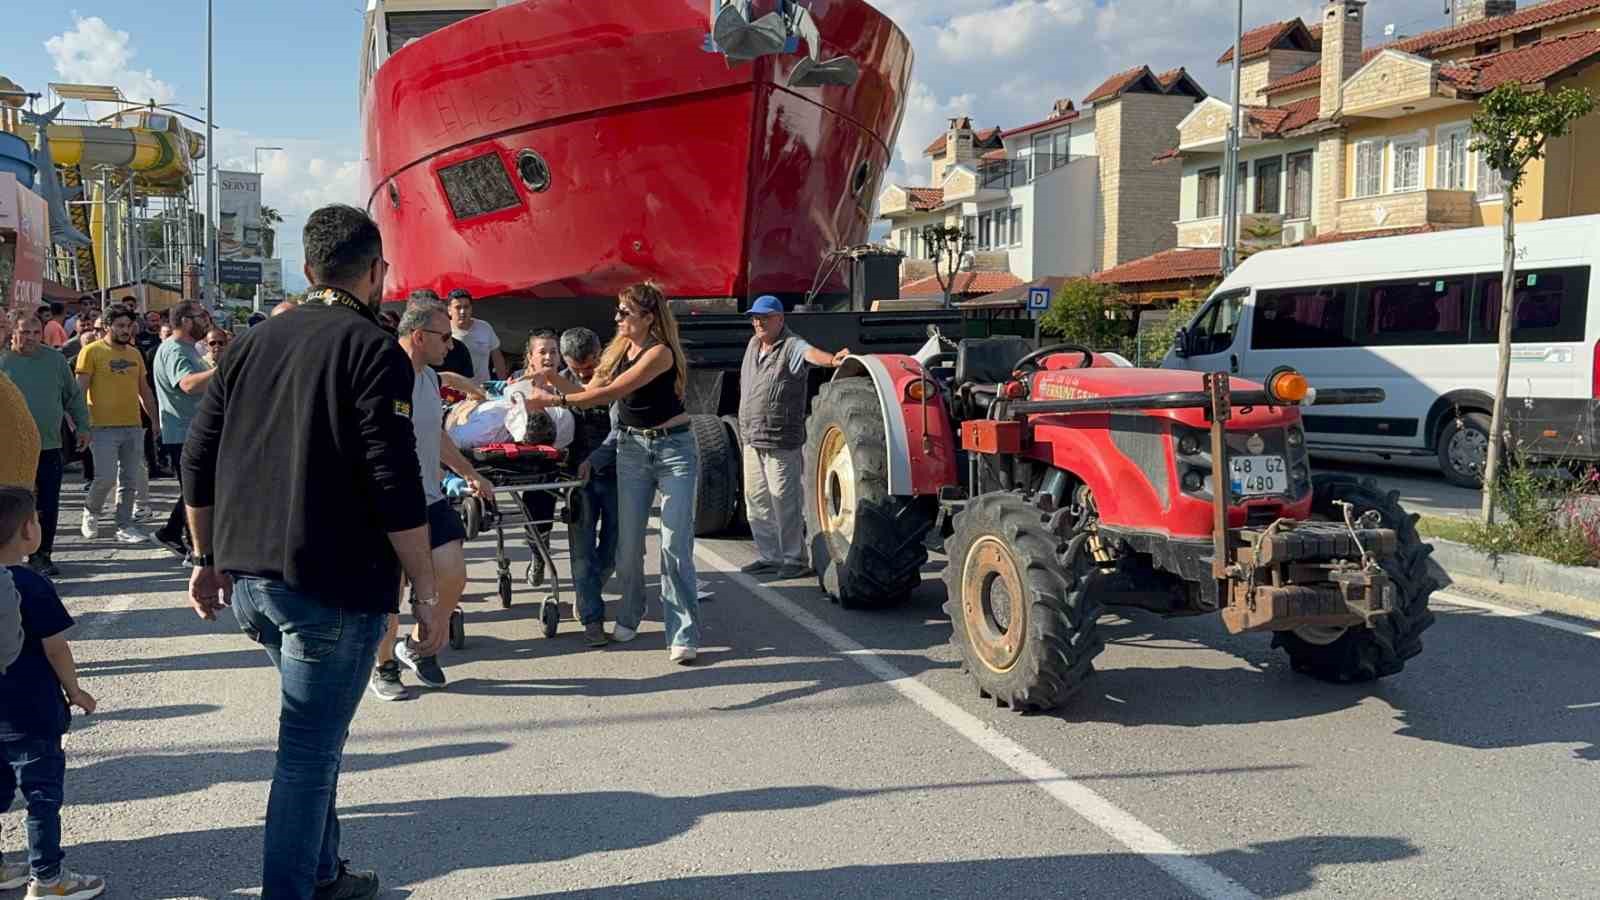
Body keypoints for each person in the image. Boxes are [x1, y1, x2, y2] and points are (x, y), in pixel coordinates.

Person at [182, 203, 444, 900]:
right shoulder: (372, 347)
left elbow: (198, 457)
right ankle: (295, 889)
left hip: (251, 581)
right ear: (378, 271)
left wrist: (204, 558)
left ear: (307, 269)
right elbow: (394, 481)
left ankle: (324, 875)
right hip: (330, 586)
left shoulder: (253, 342)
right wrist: (427, 589)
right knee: (307, 753)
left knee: (315, 738)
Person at [523, 282, 701, 664]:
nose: (617, 318)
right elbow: (588, 390)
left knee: (674, 544)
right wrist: (548, 376)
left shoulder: (659, 354)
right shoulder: (618, 349)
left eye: (625, 312)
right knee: (629, 548)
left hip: (675, 450)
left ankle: (683, 631)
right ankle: (631, 612)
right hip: (633, 449)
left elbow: (609, 394)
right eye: (617, 310)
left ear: (648, 318)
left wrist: (551, 398)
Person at [369, 297, 492, 701]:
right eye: (443, 336)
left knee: (452, 573)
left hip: (430, 496)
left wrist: (469, 472)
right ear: (418, 337)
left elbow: (435, 435)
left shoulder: (429, 379)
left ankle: (418, 646)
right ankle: (384, 666)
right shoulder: (385, 376)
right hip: (388, 501)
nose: (450, 344)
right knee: (393, 590)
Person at [0, 487, 104, 899]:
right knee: (41, 795)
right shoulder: (31, 583)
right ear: (28, 531)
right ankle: (48, 879)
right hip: (32, 712)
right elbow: (55, 647)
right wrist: (75, 691)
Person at [736, 295, 848, 578]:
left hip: (779, 438)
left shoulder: (791, 345)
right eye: (755, 317)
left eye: (764, 317)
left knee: (785, 502)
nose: (758, 322)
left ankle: (794, 560)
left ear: (780, 319)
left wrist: (832, 361)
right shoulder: (753, 345)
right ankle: (770, 556)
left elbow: (810, 353)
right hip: (751, 436)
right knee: (756, 500)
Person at [0, 311, 91, 577]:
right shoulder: (3, 361)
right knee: (11, 504)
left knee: (47, 504)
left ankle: (42, 555)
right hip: (9, 451)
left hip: (49, 446)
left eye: (36, 332)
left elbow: (72, 396)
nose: (31, 338)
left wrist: (83, 426)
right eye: (24, 332)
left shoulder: (54, 359)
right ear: (12, 333)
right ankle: (8, 557)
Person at [559, 326, 619, 648]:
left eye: (589, 367)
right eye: (577, 369)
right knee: (582, 553)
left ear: (599, 354)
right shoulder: (558, 381)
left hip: (613, 475)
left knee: (612, 553)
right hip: (575, 482)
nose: (584, 374)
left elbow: (620, 430)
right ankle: (593, 619)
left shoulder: (614, 379)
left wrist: (595, 459)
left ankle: (586, 592)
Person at [75, 309, 156, 544]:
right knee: (106, 477)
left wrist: (154, 419)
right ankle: (91, 511)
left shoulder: (135, 354)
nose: (125, 330)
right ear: (108, 326)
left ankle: (124, 525)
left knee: (130, 479)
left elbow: (144, 389)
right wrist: (80, 424)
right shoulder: (91, 352)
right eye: (120, 325)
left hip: (132, 425)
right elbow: (78, 390)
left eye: (129, 326)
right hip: (100, 426)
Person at [150, 302, 217, 561]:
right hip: (185, 433)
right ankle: (193, 547)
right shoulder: (176, 350)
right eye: (202, 317)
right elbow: (187, 384)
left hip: (193, 431)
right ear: (187, 321)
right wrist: (223, 370)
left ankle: (172, 532)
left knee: (197, 489)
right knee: (196, 491)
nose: (207, 321)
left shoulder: (187, 349)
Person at [446, 289, 504, 384]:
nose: (462, 311)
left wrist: (503, 383)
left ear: (471, 308)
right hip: (455, 393)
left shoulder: (484, 327)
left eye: (466, 307)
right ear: (449, 310)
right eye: (458, 307)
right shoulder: (443, 330)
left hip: (483, 390)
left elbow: (497, 357)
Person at [412, 290, 473, 381]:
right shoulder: (395, 359)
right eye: (443, 338)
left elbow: (468, 388)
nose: (450, 346)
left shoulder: (460, 349)